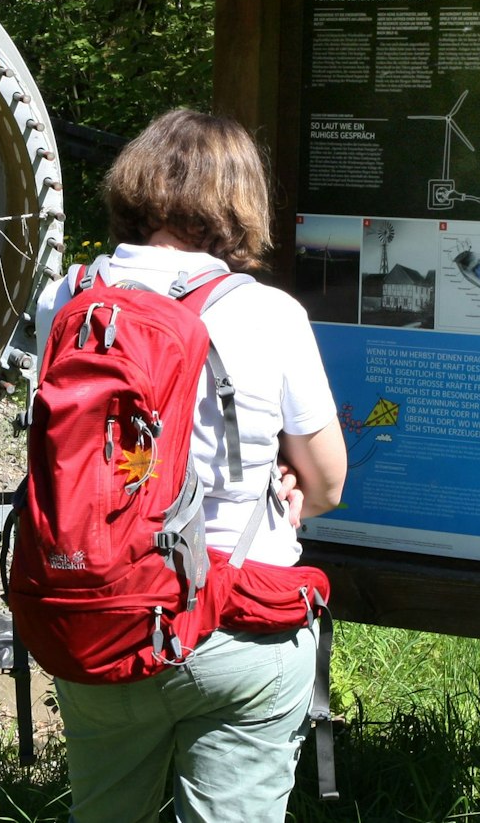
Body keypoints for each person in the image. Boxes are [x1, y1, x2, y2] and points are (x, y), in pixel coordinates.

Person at [37, 109, 348, 823]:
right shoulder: (269, 313)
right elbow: (328, 482)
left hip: (99, 615)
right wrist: (286, 481)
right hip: (238, 621)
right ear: (238, 203)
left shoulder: (68, 299)